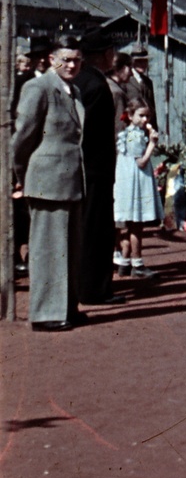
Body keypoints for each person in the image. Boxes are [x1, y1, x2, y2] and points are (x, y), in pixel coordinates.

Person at [12, 35, 85, 330]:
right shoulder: (38, 87)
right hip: (46, 180)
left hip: (70, 181)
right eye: (65, 59)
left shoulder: (73, 90)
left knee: (69, 248)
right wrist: (20, 176)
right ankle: (45, 314)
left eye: (77, 60)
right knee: (47, 250)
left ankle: (66, 307)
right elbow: (22, 138)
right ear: (52, 59)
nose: (71, 65)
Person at [74, 41, 119, 304]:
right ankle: (95, 289)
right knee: (97, 231)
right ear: (105, 54)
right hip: (97, 170)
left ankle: (84, 286)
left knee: (83, 229)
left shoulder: (79, 81)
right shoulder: (98, 86)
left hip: (81, 169)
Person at [114, 103, 162, 278]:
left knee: (131, 223)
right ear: (130, 115)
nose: (145, 119)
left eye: (147, 116)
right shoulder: (134, 135)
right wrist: (152, 144)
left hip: (127, 181)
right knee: (136, 224)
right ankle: (137, 263)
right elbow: (140, 162)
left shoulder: (128, 133)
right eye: (141, 115)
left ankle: (125, 263)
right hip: (134, 182)